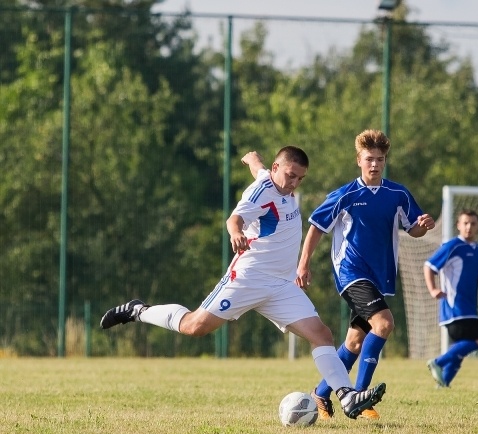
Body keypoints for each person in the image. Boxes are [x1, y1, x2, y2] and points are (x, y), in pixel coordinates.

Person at [99, 147, 385, 419]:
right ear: (277, 168)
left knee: (321, 334)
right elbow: (234, 219)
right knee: (194, 327)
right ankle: (138, 310)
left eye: (300, 178)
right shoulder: (261, 191)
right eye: (291, 175)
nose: (294, 183)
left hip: (281, 286)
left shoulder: (273, 179)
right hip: (248, 278)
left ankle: (347, 396)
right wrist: (236, 233)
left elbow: (259, 169)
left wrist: (252, 159)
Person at [296, 129, 435, 420]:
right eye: (369, 159)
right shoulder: (345, 195)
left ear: (385, 161)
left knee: (354, 342)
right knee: (383, 324)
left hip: (379, 275)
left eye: (380, 159)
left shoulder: (397, 194)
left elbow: (414, 229)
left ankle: (321, 392)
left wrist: (424, 226)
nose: (375, 164)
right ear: (359, 160)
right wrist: (303, 264)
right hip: (350, 272)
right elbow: (317, 227)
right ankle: (359, 395)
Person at [424, 209, 478, 387]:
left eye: (473, 223)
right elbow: (429, 266)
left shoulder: (477, 249)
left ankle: (443, 384)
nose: (469, 227)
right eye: (465, 223)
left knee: (461, 348)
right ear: (458, 225)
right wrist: (433, 289)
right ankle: (438, 362)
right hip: (454, 307)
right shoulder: (452, 246)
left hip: (469, 307)